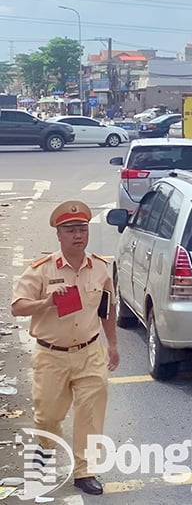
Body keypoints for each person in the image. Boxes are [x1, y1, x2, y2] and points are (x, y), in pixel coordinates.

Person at [11, 201, 119, 495]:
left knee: (91, 414)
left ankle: (85, 471)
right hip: (51, 355)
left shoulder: (99, 268)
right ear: (59, 235)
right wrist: (45, 302)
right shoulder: (41, 271)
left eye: (82, 229)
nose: (78, 235)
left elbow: (107, 310)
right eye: (70, 230)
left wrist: (113, 344)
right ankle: (46, 446)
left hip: (89, 353)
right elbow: (17, 307)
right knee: (48, 415)